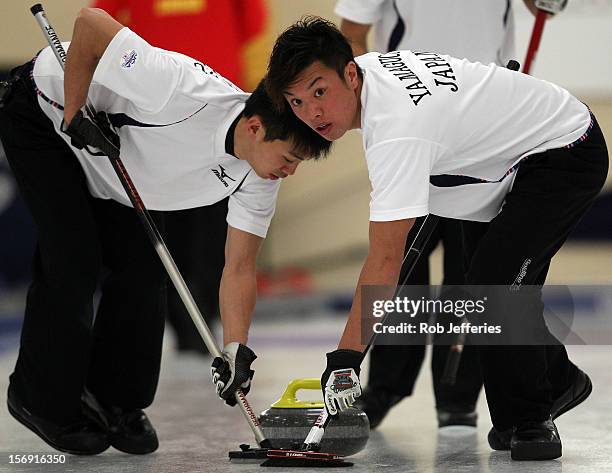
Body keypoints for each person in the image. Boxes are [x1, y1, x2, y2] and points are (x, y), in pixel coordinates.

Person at [217, 8, 606, 462]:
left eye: (320, 92)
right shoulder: (372, 77)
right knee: (493, 285)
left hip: (562, 150)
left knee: (493, 284)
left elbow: (385, 259)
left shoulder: (395, 129)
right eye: (298, 102)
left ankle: (531, 415)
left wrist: (345, 358)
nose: (313, 113)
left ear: (350, 73)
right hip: (496, 164)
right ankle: (556, 382)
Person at [0, 7, 329, 456]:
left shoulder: (258, 173)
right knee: (74, 259)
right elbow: (91, 23)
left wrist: (236, 348)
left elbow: (239, 265)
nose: (289, 171)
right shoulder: (177, 87)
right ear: (256, 127)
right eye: (289, 157)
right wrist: (76, 112)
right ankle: (40, 400)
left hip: (112, 165)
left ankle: (115, 400)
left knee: (145, 271)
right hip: (47, 118)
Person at [333, 0, 531, 431]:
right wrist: (371, 113)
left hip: (483, 126)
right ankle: (384, 386)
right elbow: (352, 32)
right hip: (413, 121)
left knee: (473, 270)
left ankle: (458, 392)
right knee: (400, 263)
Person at [91, 0, 271, 356]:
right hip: (155, 111)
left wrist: (257, 101)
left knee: (213, 228)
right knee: (166, 221)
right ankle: (180, 319)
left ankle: (205, 314)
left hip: (221, 113)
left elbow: (255, 29)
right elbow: (103, 19)